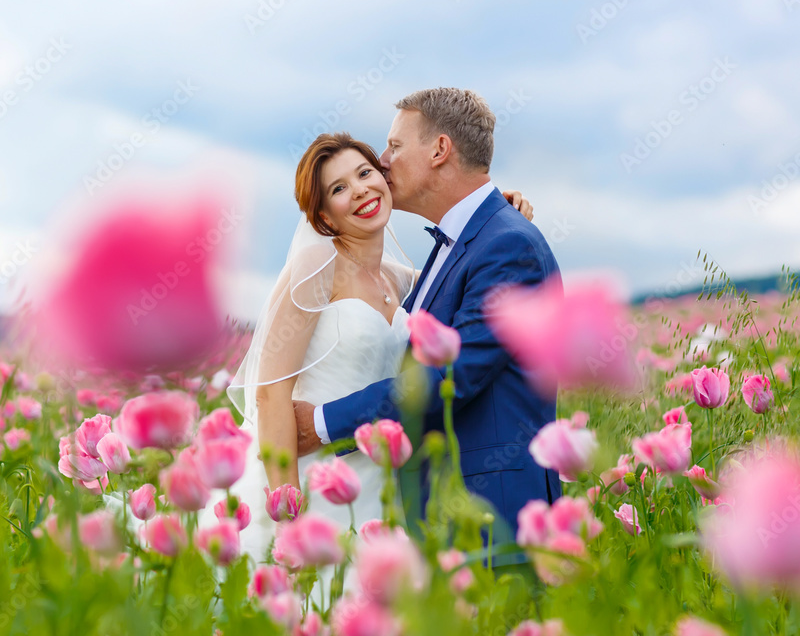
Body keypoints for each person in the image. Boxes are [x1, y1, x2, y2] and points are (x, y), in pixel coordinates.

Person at [220, 129, 534, 565]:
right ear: (324, 215)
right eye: (338, 188)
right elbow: (271, 392)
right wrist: (289, 520)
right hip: (315, 474)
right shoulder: (315, 269)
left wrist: (502, 213)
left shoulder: (403, 278)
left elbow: (468, 269)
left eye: (365, 172)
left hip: (383, 484)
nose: (360, 190)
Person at [292, 87, 562, 569]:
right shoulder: (459, 242)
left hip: (493, 511)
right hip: (440, 509)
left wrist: (320, 423)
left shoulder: (506, 248)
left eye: (395, 145)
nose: (383, 159)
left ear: (439, 150)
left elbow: (451, 378)